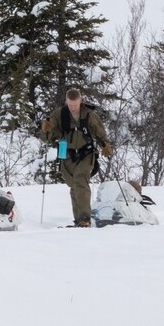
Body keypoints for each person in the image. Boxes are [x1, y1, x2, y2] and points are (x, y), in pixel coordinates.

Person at [38, 85, 115, 226]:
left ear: (80, 101)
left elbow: (100, 131)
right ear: (66, 101)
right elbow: (46, 138)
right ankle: (78, 220)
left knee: (80, 180)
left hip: (86, 153)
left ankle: (85, 219)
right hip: (67, 154)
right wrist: (46, 129)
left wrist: (106, 144)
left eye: (75, 104)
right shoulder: (59, 114)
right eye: (70, 104)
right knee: (73, 185)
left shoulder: (89, 115)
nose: (73, 107)